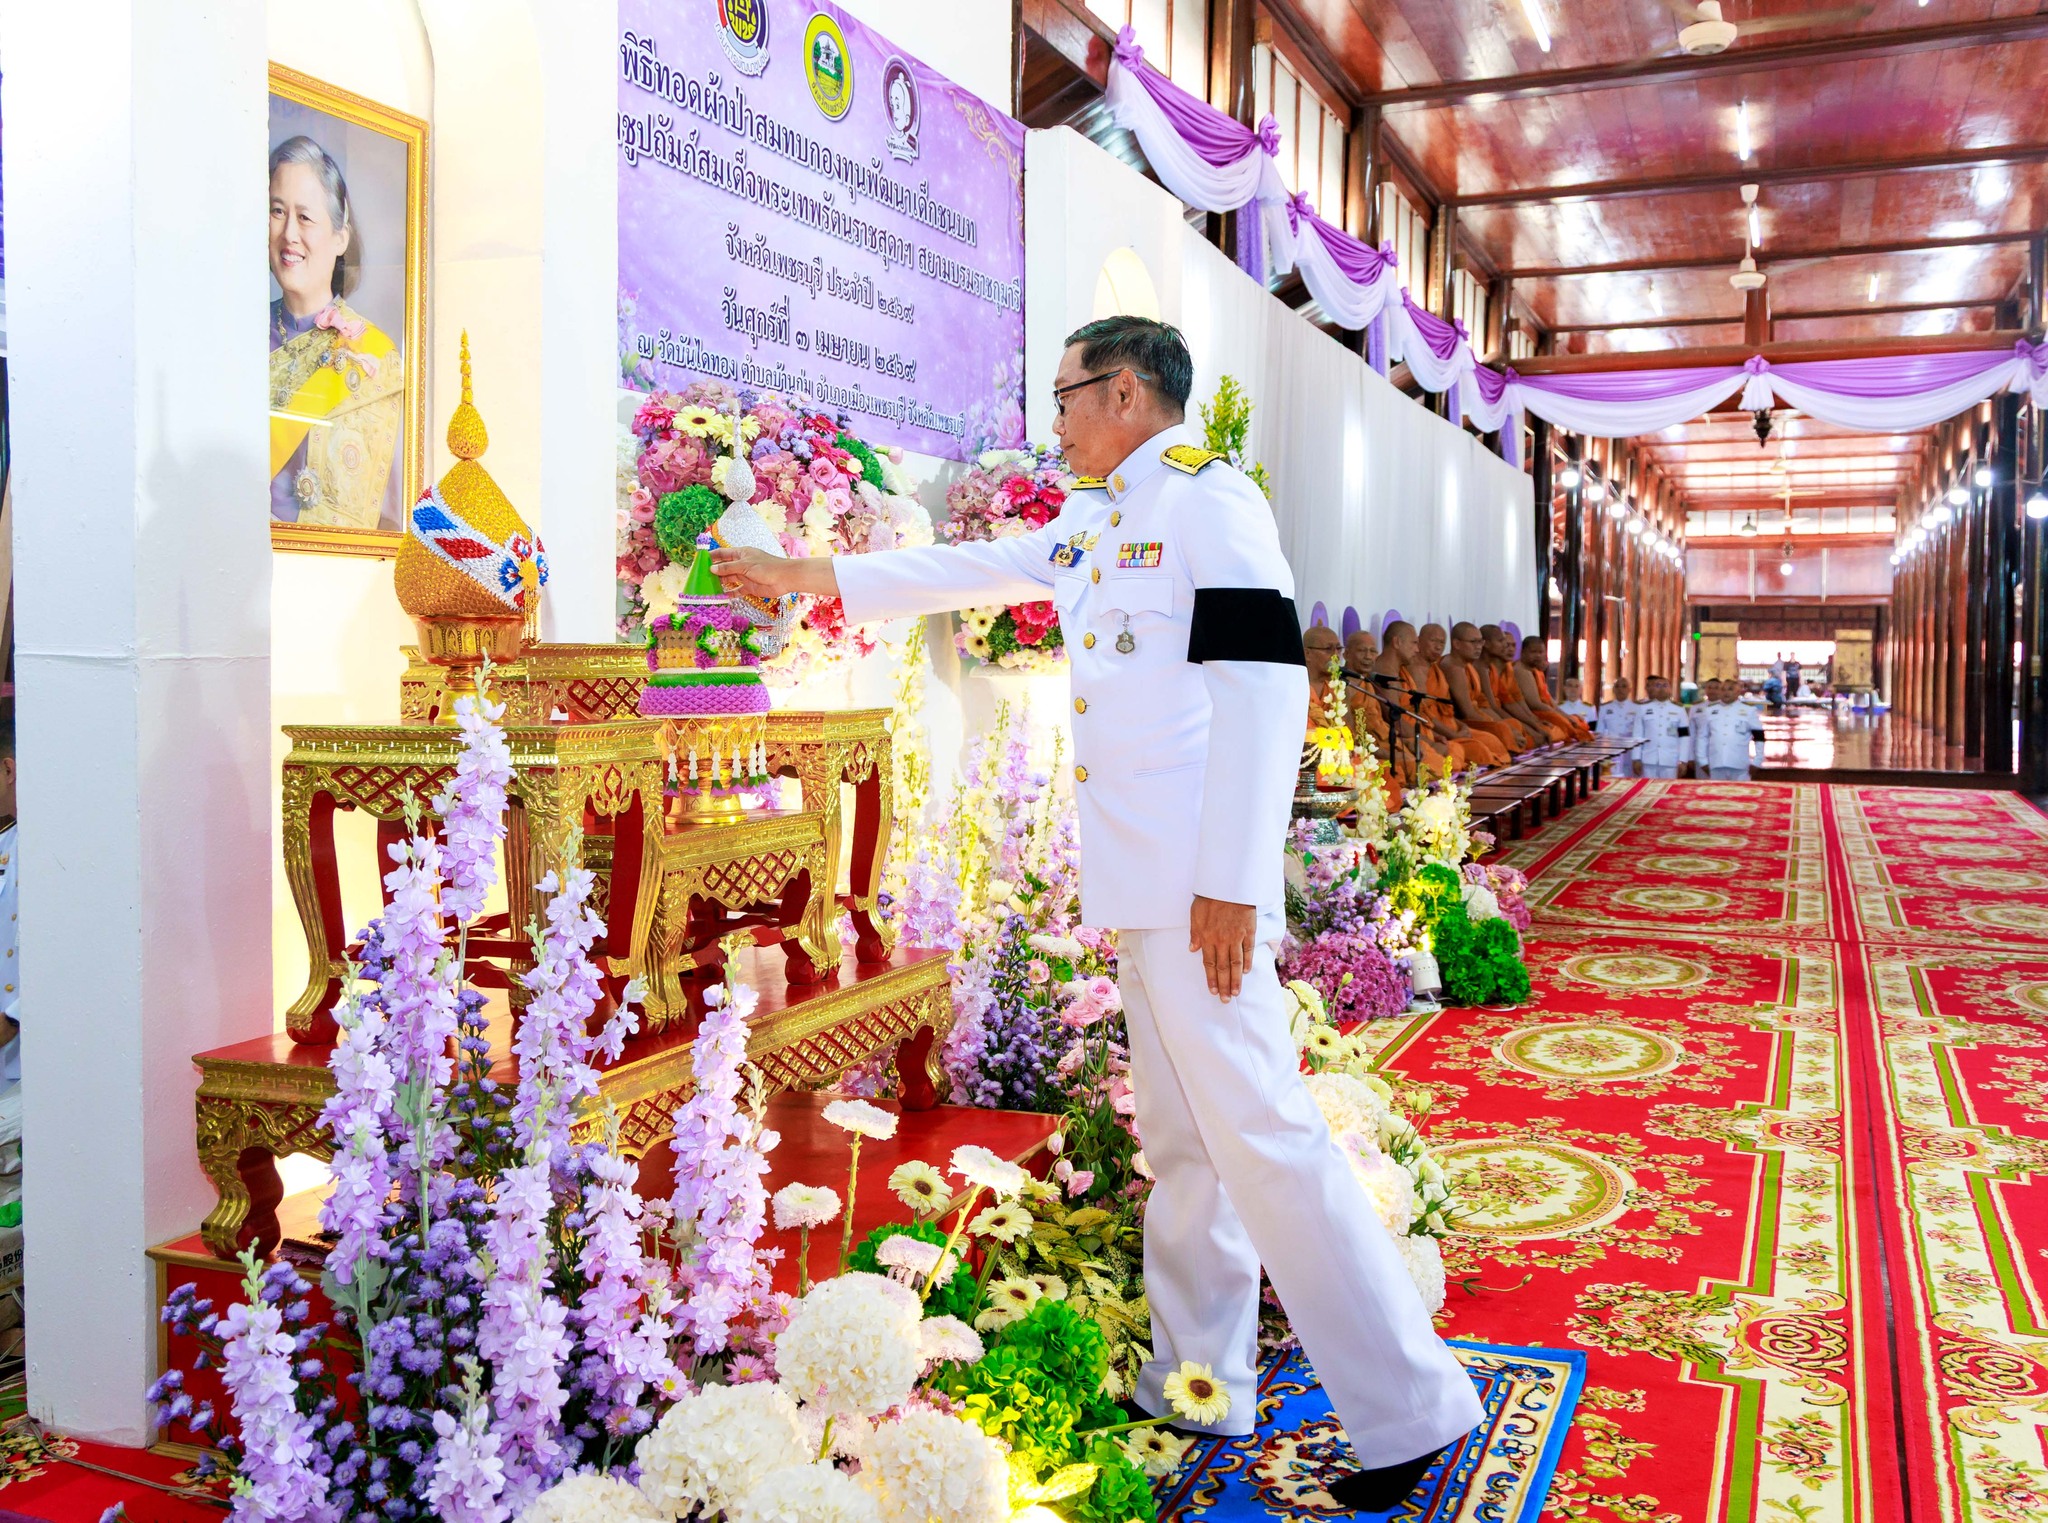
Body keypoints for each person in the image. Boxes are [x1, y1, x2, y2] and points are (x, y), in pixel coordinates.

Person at [713, 316, 1480, 1507]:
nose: (1055, 416)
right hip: (1143, 885)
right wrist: (805, 576)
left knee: (1265, 1136)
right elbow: (969, 567)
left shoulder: (1206, 502)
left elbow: (1265, 694)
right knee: (1186, 1150)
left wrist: (1232, 877)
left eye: (1066, 393)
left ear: (1124, 391)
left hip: (1198, 889)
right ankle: (1200, 1373)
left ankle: (1410, 1408)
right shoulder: (1098, 514)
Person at [269, 134, 406, 530]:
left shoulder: (372, 355)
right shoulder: (236, 338)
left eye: (306, 217)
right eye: (277, 212)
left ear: (340, 237)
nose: (289, 234)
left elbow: (388, 511)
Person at [1414, 624, 1511, 769]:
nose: (1438, 647)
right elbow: (1422, 714)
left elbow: (1482, 705)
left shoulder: (1438, 667)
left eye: (1441, 643)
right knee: (1485, 745)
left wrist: (1461, 726)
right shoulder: (1419, 669)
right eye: (1434, 641)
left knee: (1497, 737)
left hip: (1452, 726)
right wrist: (1454, 734)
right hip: (1436, 731)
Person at [1444, 622, 1536, 755]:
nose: (1478, 647)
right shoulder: (1454, 668)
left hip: (1478, 718)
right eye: (1473, 642)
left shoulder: (1469, 667)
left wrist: (1506, 726)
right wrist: (1501, 727)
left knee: (1513, 727)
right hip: (1463, 723)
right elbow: (1468, 712)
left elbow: (1485, 704)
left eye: (1480, 642)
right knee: (1496, 741)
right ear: (1456, 644)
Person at [1514, 635, 1592, 741]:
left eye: (1541, 652)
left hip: (1545, 712)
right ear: (1523, 652)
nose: (1538, 656)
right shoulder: (1521, 671)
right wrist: (1560, 716)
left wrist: (1564, 715)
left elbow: (1550, 700)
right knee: (1571, 727)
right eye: (1533, 652)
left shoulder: (1536, 671)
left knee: (1578, 721)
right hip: (1535, 714)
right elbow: (1534, 704)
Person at [1695, 678, 1766, 780]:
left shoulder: (1749, 711)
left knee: (1740, 794)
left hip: (1740, 764)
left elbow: (1759, 737)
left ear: (1738, 692)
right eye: (1723, 689)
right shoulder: (1709, 711)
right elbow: (1702, 737)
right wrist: (1702, 761)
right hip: (1716, 763)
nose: (1726, 692)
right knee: (1716, 793)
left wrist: (1757, 760)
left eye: (1730, 689)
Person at [1635, 674, 1692, 779]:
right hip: (1648, 759)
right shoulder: (1643, 708)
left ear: (1670, 689)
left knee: (1667, 790)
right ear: (1653, 688)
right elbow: (1638, 735)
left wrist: (1683, 760)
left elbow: (1684, 736)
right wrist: (1636, 758)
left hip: (1670, 759)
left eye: (1665, 685)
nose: (1661, 688)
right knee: (1647, 790)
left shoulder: (1679, 709)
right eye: (1658, 685)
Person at [1599, 678, 1643, 778]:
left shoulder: (1637, 708)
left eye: (1624, 686)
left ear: (1629, 689)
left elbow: (1639, 733)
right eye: (1617, 686)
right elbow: (1600, 732)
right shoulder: (1605, 708)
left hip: (1630, 750)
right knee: (1611, 778)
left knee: (1631, 779)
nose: (1620, 689)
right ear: (1613, 689)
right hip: (1611, 749)